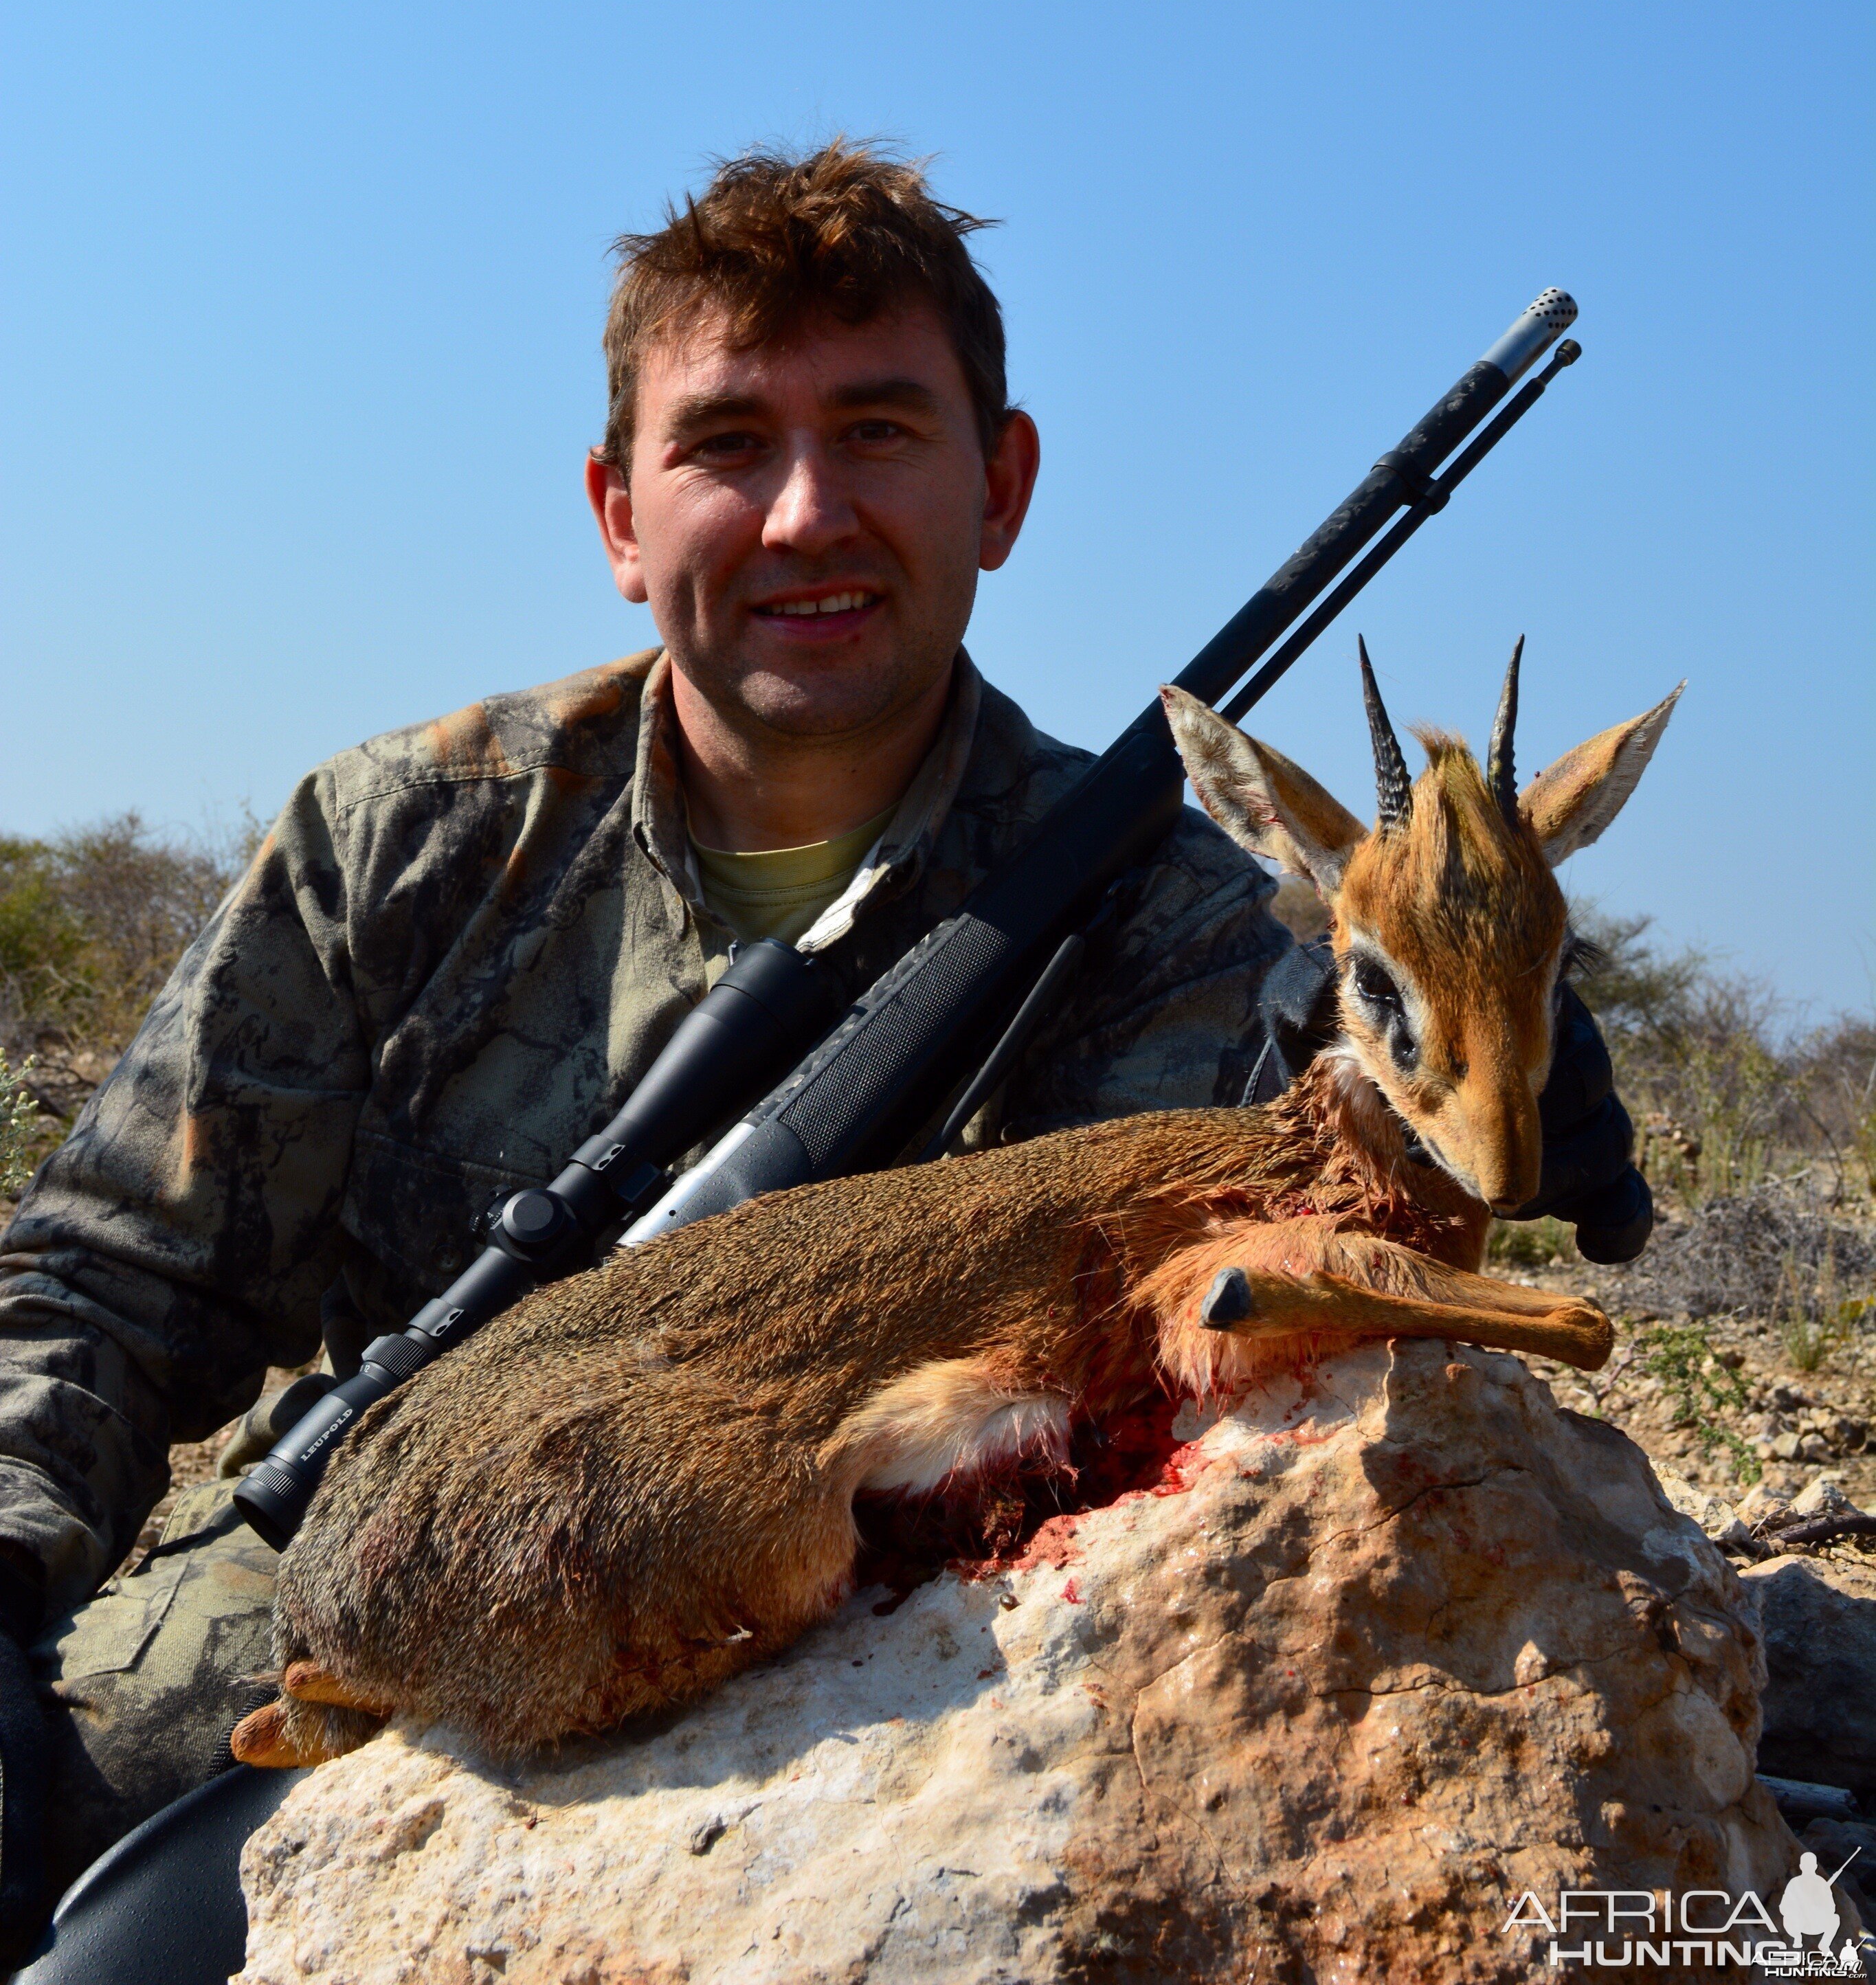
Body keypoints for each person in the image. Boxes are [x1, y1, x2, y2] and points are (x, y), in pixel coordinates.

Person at [0, 142, 1647, 1944]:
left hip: (893, 1682)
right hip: (391, 1565)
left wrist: (1444, 1114)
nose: (804, 514)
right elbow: (109, 1273)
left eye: (876, 431)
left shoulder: (1203, 931)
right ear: (618, 513)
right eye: (723, 444)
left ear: (999, 485)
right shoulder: (401, 836)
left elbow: (1281, 1328)